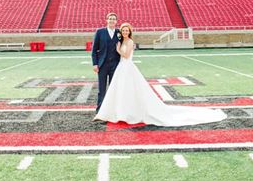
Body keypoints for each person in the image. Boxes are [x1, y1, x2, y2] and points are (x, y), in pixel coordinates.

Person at [94, 23, 227, 126]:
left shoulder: (129, 42)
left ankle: (128, 112)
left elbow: (127, 55)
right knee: (121, 91)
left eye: (126, 30)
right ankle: (119, 111)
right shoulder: (122, 41)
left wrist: (118, 50)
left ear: (130, 31)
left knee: (130, 90)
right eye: (123, 30)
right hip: (121, 68)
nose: (124, 32)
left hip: (127, 67)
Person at [91, 12, 121, 113]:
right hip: (102, 65)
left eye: (114, 19)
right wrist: (95, 64)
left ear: (116, 21)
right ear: (106, 20)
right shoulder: (100, 32)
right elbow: (94, 49)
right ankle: (100, 110)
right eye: (110, 18)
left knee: (114, 88)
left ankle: (113, 110)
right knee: (102, 90)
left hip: (115, 64)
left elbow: (124, 44)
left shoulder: (119, 33)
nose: (112, 20)